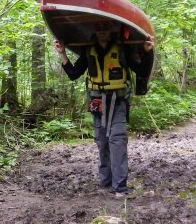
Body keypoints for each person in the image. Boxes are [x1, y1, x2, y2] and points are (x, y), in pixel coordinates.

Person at [54, 21, 155, 197]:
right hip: (97, 102)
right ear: (95, 31)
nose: (102, 32)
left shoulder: (122, 49)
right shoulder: (88, 50)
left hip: (118, 101)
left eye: (105, 28)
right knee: (102, 141)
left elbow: (141, 70)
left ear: (111, 30)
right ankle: (105, 180)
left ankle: (120, 187)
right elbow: (73, 74)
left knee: (118, 141)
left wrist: (147, 52)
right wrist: (62, 53)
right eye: (99, 28)